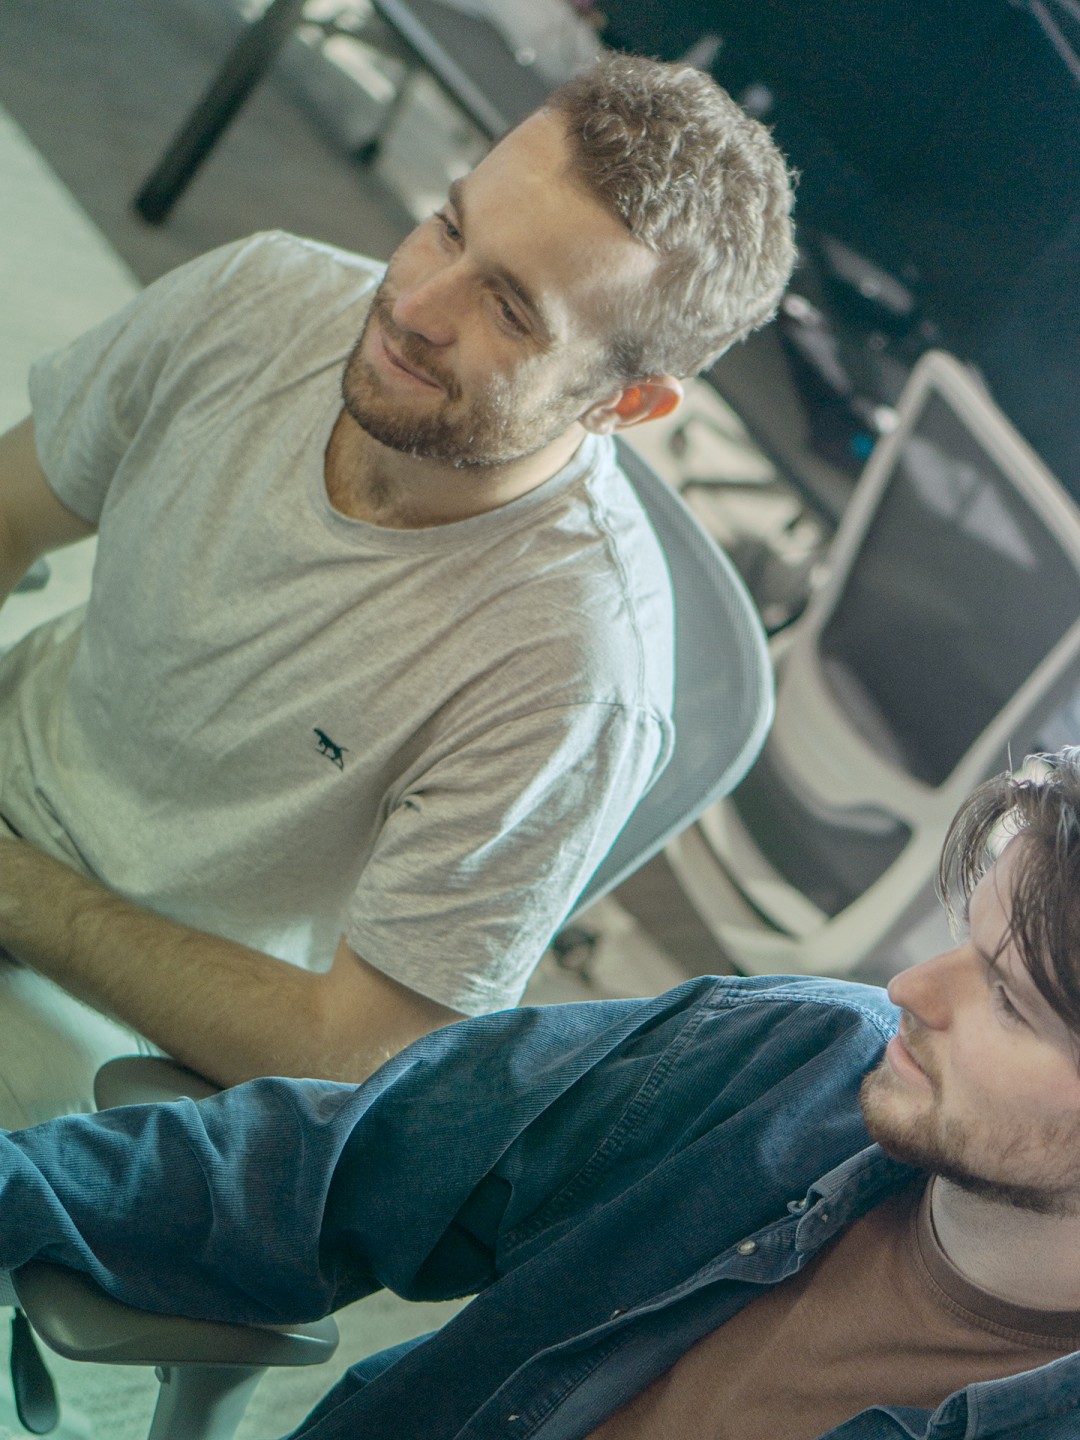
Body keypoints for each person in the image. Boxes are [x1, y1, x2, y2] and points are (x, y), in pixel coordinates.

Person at [0, 55, 797, 1123]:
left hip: (146, 1044)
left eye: (509, 310)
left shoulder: (571, 671)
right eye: (449, 227)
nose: (415, 305)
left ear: (629, 402)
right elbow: (9, 511)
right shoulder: (263, 294)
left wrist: (17, 894)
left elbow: (358, 1053)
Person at [4, 748, 1080, 1439]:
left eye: (1008, 999)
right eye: (960, 939)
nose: (908, 990)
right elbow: (323, 1169)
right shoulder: (798, 1060)